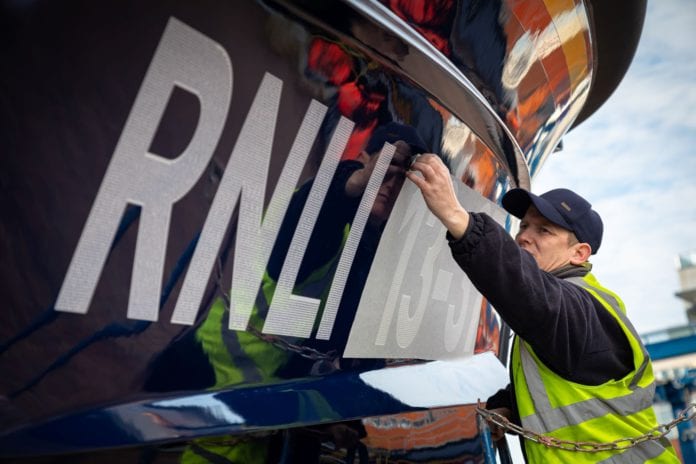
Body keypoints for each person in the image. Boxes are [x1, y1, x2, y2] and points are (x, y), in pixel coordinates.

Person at [406, 154, 679, 463]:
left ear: (579, 253)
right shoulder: (573, 310)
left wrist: (457, 217)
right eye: (524, 225)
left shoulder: (581, 309)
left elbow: (528, 292)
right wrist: (510, 406)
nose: (523, 237)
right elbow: (571, 392)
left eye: (544, 231)